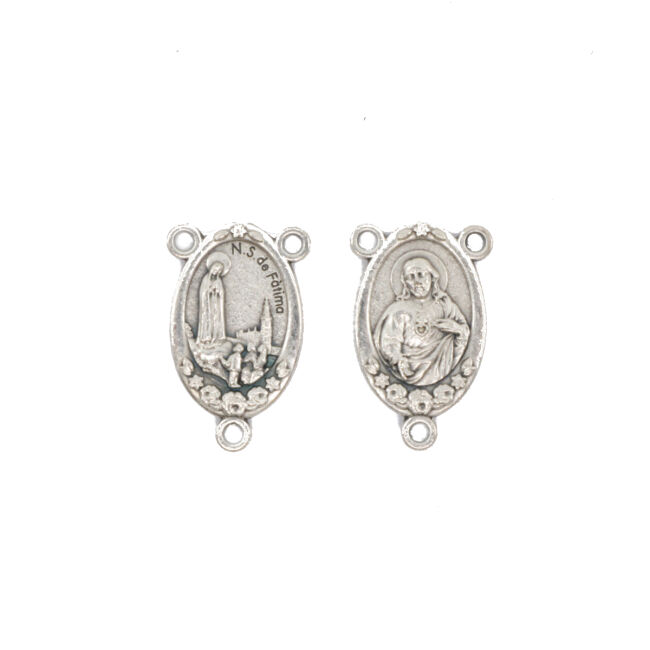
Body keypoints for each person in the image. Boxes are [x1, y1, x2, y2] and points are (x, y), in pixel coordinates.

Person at [374, 256, 469, 385]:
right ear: (405, 283)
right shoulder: (397, 310)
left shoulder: (445, 306)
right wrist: (398, 360)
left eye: (421, 275)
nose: (417, 282)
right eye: (411, 277)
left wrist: (456, 328)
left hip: (441, 366)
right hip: (408, 370)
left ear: (432, 277)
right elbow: (389, 341)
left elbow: (465, 332)